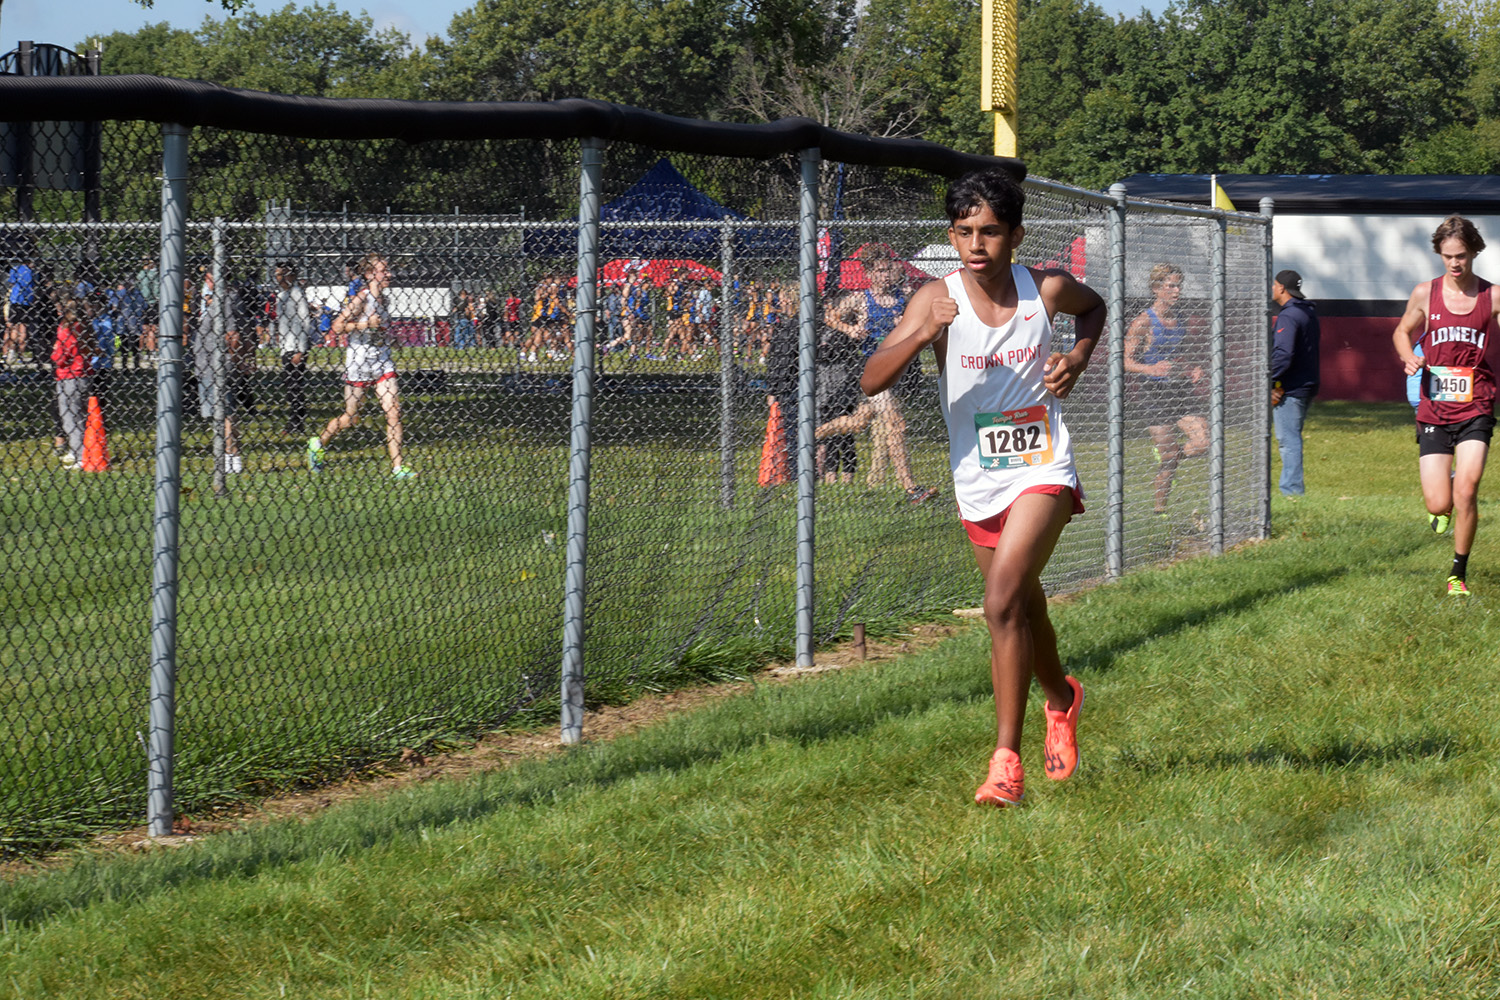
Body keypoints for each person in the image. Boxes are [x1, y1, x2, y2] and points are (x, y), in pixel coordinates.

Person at [860, 167, 1103, 808]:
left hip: (1043, 468)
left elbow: (1095, 308)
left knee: (1000, 603)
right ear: (951, 234)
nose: (977, 244)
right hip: (977, 479)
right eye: (965, 231)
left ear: (1015, 235)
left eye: (990, 232)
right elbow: (870, 381)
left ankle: (1005, 762)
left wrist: (1076, 359)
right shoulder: (934, 300)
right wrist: (921, 334)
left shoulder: (1045, 289)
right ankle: (1062, 698)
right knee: (1026, 607)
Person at [1392, 215, 1497, 597]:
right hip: (1434, 407)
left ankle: (1458, 573)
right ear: (1439, 254)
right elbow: (1402, 331)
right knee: (1439, 503)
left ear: (1474, 253)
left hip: (1477, 404)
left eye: (1463, 256)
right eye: (1448, 256)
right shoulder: (1425, 293)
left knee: (1467, 489)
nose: (1455, 264)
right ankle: (1444, 506)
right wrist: (1408, 356)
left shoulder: (1493, 296)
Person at [308, 253, 415, 480]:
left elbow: (381, 327)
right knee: (350, 418)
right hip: (358, 363)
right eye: (383, 270)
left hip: (382, 361)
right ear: (369, 275)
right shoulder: (361, 299)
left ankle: (398, 468)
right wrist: (366, 323)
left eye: (388, 270)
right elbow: (337, 327)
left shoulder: (384, 300)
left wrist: (391, 338)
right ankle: (318, 443)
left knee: (394, 411)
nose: (389, 274)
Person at [1124, 263, 1207, 514]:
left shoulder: (1180, 319)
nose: (1177, 290)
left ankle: (1170, 454)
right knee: (1169, 463)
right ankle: (1159, 512)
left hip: (1180, 392)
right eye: (1171, 285)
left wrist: (1192, 369)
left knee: (1205, 443)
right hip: (1154, 394)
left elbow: (1178, 357)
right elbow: (1124, 361)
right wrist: (1150, 370)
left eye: (1179, 285)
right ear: (1156, 289)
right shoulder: (1143, 321)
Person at [1270, 269, 1321, 497]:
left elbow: (1283, 354)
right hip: (1307, 383)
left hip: (1291, 388)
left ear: (1281, 287)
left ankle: (1292, 491)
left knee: (1288, 440)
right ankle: (1291, 489)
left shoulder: (1289, 316)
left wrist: (1269, 379)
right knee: (1292, 437)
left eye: (1274, 285)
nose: (1272, 288)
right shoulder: (1307, 312)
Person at [273, 262, 313, 437]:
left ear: (290, 276)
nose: (277, 278)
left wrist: (301, 350)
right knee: (290, 387)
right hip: (286, 346)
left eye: (281, 274)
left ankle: (297, 422)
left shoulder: (297, 295)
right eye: (276, 274)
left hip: (295, 347)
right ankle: (295, 421)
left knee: (295, 387)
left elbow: (305, 322)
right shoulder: (282, 295)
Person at [51, 302, 92, 470]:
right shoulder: (85, 327)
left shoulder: (65, 328)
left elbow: (61, 357)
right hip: (84, 374)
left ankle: (80, 454)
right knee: (81, 414)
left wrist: (54, 351)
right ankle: (81, 450)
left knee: (70, 417)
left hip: (69, 376)